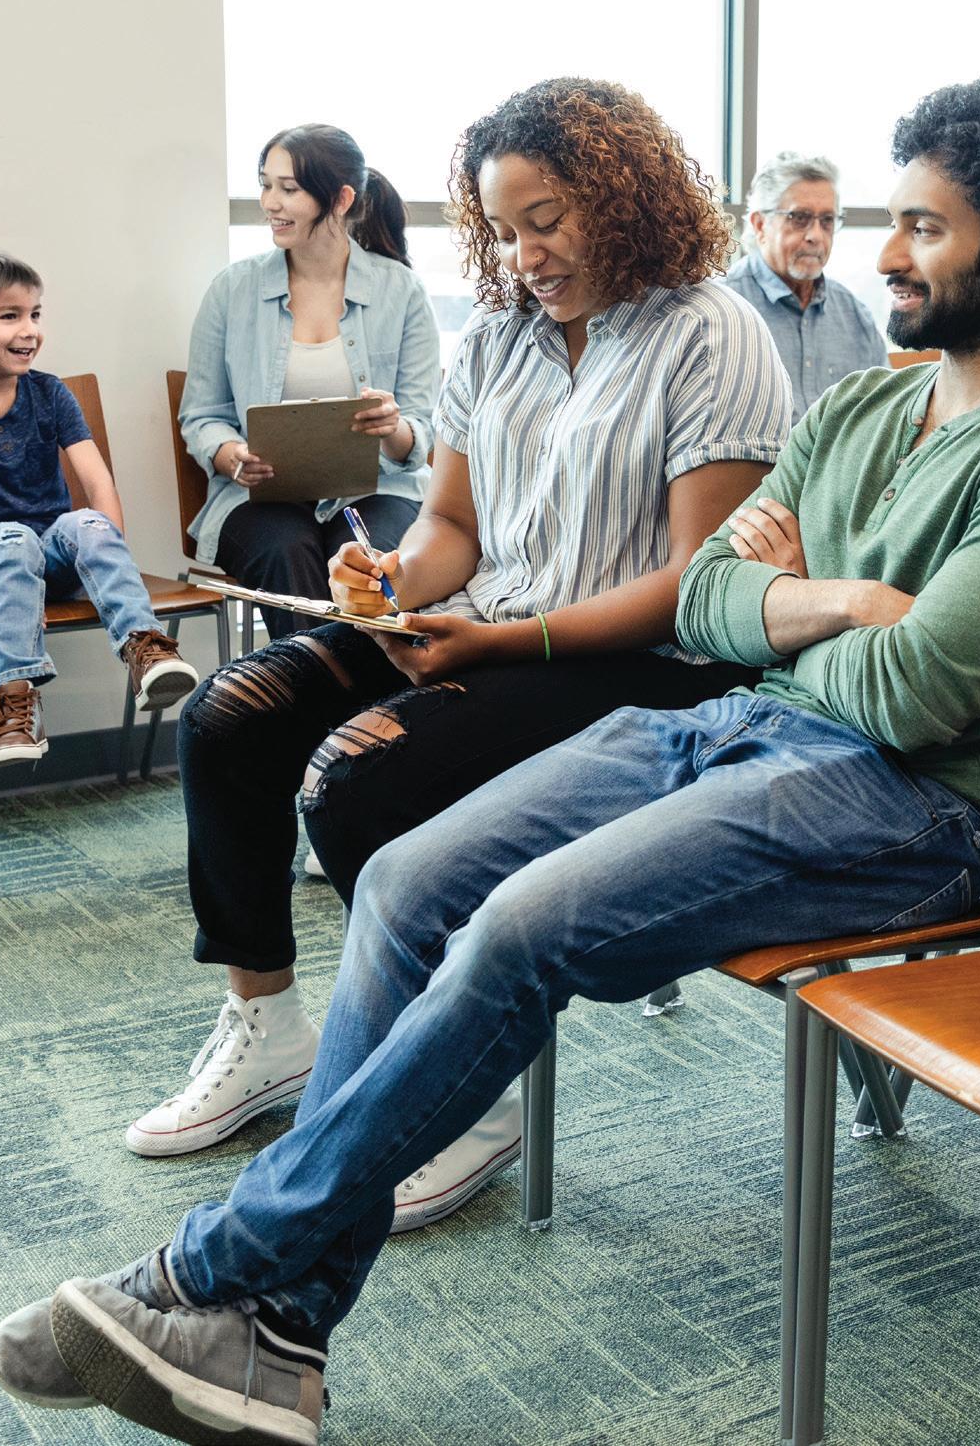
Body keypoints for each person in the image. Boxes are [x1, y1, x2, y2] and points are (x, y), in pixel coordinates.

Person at [0, 74, 980, 1443]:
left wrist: (781, 610)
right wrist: (834, 599)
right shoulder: (857, 417)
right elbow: (708, 598)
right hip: (737, 727)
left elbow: (909, 696)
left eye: (924, 229)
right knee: (409, 880)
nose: (883, 253)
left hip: (907, 809)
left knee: (518, 925)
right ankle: (279, 1338)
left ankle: (215, 1275)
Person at [128, 79, 790, 1238]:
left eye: (549, 221)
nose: (526, 256)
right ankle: (269, 1028)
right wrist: (390, 583)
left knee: (358, 777)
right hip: (495, 620)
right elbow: (452, 530)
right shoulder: (495, 338)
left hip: (648, 662)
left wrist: (500, 639)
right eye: (505, 229)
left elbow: (699, 582)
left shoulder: (709, 331)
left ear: (625, 199)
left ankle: (466, 1083)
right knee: (231, 718)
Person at [0, 250, 199, 771]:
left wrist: (107, 552)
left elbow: (97, 482)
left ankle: (144, 648)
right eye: (9, 315)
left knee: (86, 522)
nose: (29, 330)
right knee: (12, 536)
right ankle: (16, 701)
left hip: (52, 560)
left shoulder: (50, 393)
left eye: (35, 314)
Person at [181, 127, 440, 640]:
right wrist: (231, 455)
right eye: (265, 185)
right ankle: (329, 689)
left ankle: (316, 687)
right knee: (287, 550)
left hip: (379, 490)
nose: (270, 203)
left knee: (366, 563)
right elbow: (202, 414)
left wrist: (392, 427)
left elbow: (420, 432)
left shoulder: (403, 292)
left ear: (341, 199)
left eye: (289, 189)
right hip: (260, 501)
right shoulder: (232, 290)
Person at [728, 149, 886, 416]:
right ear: (760, 225)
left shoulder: (855, 315)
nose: (816, 236)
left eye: (827, 221)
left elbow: (885, 416)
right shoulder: (724, 310)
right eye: (799, 218)